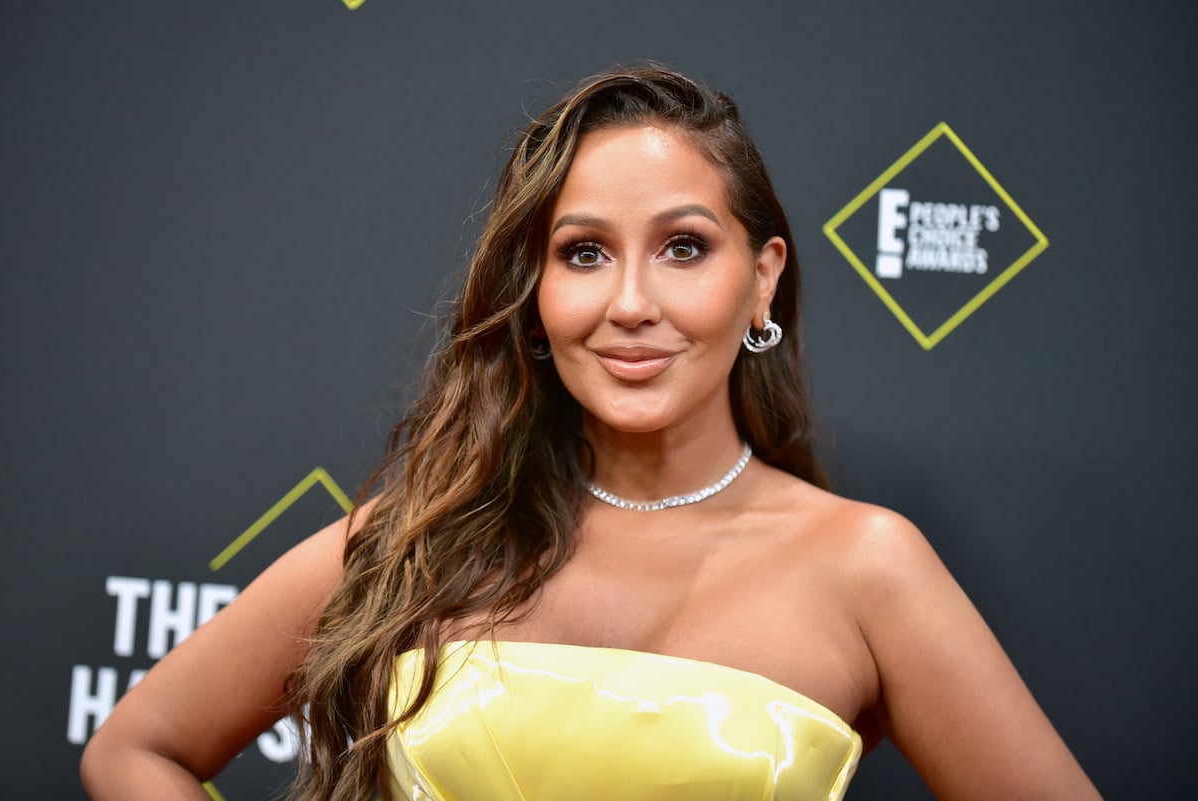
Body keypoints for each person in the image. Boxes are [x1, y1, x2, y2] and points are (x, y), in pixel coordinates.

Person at [80, 65, 1101, 801]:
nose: (631, 303)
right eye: (582, 254)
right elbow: (136, 749)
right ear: (534, 293)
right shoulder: (415, 543)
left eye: (684, 247)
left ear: (763, 279)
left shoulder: (868, 567)